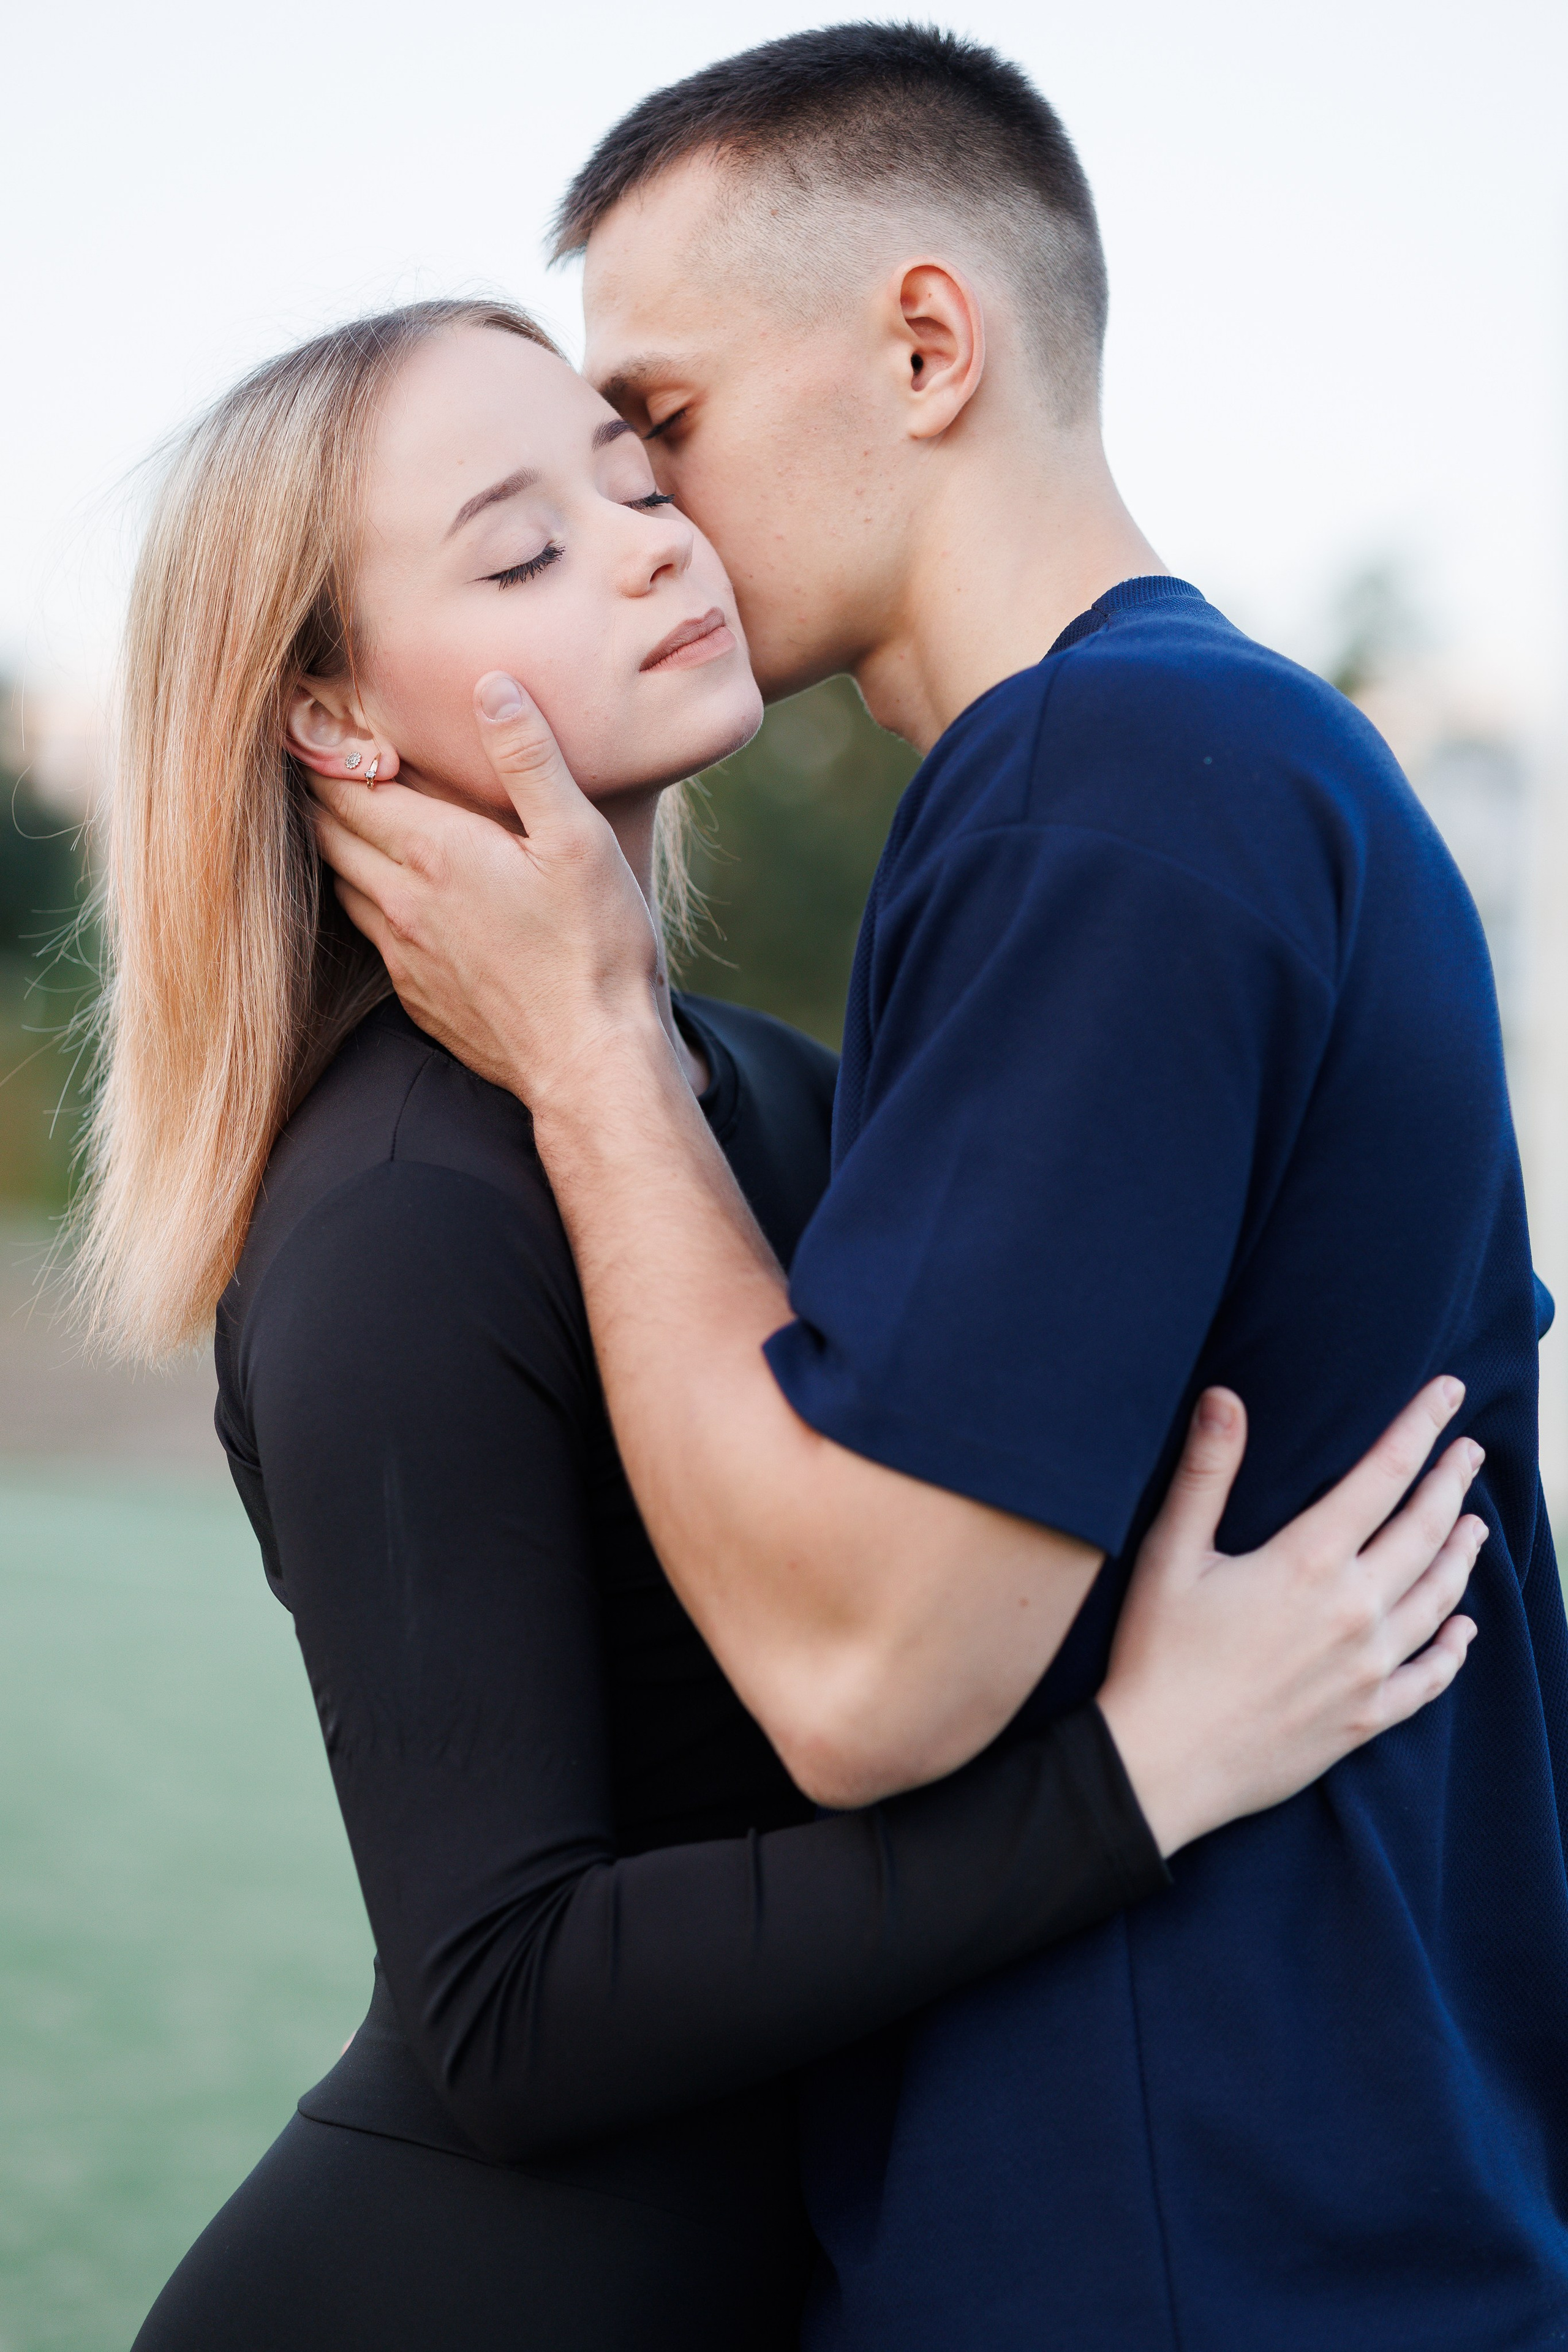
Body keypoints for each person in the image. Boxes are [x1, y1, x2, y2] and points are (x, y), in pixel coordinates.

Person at [312, 25, 1568, 2351]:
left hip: (1198, 2242)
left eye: (659, 429)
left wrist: (591, 1049)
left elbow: (870, 1674)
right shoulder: (1167, 773)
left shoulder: (1113, 783)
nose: (654, 524)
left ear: (924, 344)